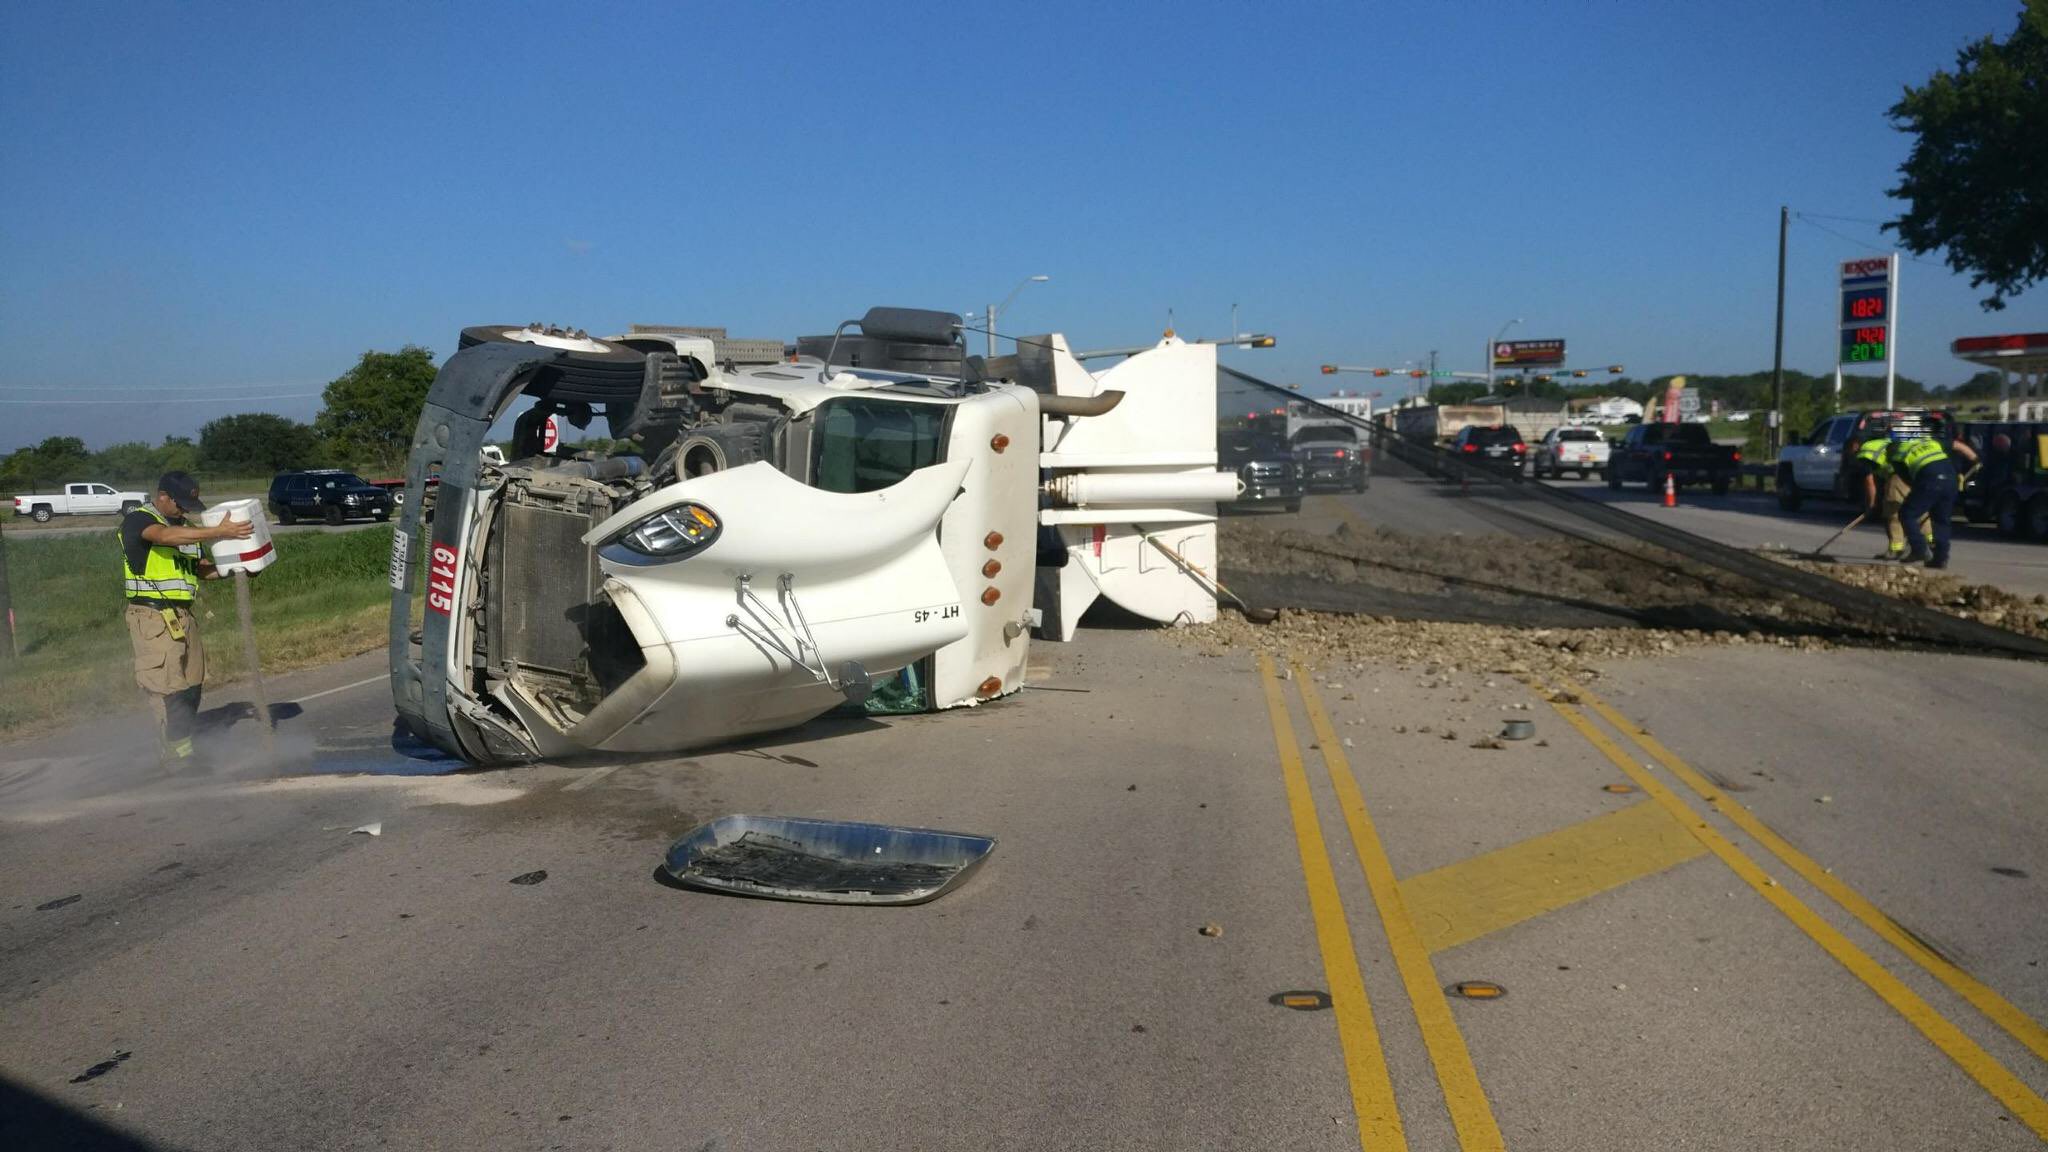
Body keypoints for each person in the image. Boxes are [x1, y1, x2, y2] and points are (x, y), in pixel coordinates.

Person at [120, 471, 253, 765]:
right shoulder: (140, 520)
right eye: (178, 504)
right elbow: (163, 537)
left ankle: (182, 747)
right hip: (152, 616)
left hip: (183, 617)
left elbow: (200, 569)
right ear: (162, 496)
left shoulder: (186, 528)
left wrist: (237, 569)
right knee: (169, 690)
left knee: (192, 687)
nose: (183, 510)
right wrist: (219, 532)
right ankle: (177, 756)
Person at [1891, 435, 1979, 570]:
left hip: (1929, 480)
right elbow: (1959, 445)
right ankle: (1940, 559)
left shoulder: (1897, 454)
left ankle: (1919, 549)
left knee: (1907, 514)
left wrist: (1922, 493)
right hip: (1951, 479)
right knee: (1941, 520)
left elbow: (1909, 480)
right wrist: (1976, 460)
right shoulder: (1930, 441)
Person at [1854, 435, 1925, 561]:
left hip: (1897, 475)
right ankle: (1929, 543)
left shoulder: (1865, 455)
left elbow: (1870, 482)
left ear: (1854, 446)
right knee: (1919, 509)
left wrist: (1871, 505)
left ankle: (1896, 549)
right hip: (1915, 472)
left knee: (1893, 512)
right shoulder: (1880, 443)